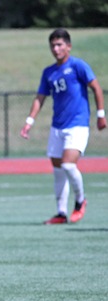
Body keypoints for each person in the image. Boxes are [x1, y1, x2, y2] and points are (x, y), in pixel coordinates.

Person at [21, 28, 105, 224]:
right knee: (58, 170)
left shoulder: (78, 66)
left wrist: (101, 115)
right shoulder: (49, 72)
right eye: (52, 45)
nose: (56, 49)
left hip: (77, 124)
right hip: (57, 127)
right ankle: (61, 213)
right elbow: (40, 98)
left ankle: (80, 200)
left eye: (59, 45)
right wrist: (29, 121)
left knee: (68, 164)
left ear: (68, 46)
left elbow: (96, 88)